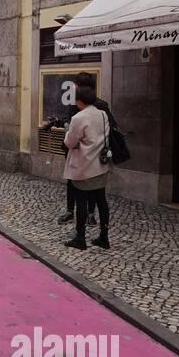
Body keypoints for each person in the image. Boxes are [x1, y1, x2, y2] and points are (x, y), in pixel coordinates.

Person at [58, 74, 118, 227]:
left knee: (87, 190)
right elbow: (70, 121)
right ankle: (72, 211)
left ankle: (86, 221)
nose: (74, 87)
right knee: (77, 184)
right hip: (87, 156)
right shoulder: (77, 104)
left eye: (76, 84)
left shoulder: (99, 106)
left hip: (87, 155)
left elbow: (73, 133)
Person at [62, 83, 111, 251]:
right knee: (101, 200)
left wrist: (68, 130)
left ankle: (80, 238)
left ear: (80, 101)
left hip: (83, 166)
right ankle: (104, 237)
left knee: (81, 201)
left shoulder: (78, 118)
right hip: (100, 165)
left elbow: (70, 142)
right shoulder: (103, 114)